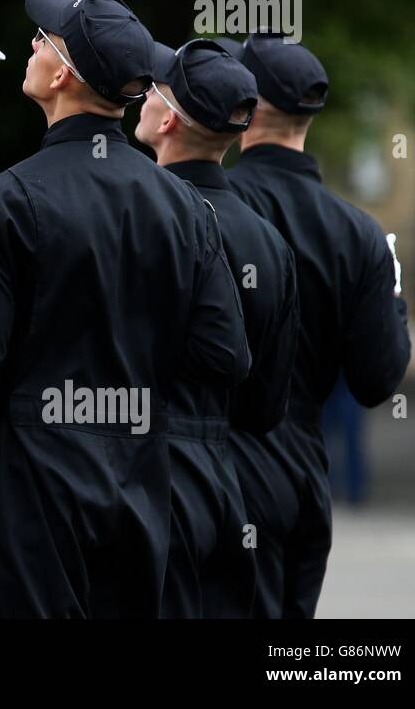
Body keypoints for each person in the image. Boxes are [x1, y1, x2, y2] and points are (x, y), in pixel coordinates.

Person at [0, 0, 251, 618]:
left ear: (61, 73)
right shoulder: (186, 207)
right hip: (140, 483)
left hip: (32, 489)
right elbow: (224, 353)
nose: (32, 43)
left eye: (44, 38)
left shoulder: (1, 203)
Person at [225, 34, 410, 617]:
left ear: (246, 109)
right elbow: (376, 379)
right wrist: (393, 288)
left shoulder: (208, 203)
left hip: (215, 468)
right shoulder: (357, 231)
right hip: (302, 478)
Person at [134, 39, 299, 617]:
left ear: (170, 118)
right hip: (227, 482)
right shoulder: (270, 242)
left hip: (140, 481)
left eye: (154, 88)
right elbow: (265, 406)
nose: (144, 95)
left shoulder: (139, 217)